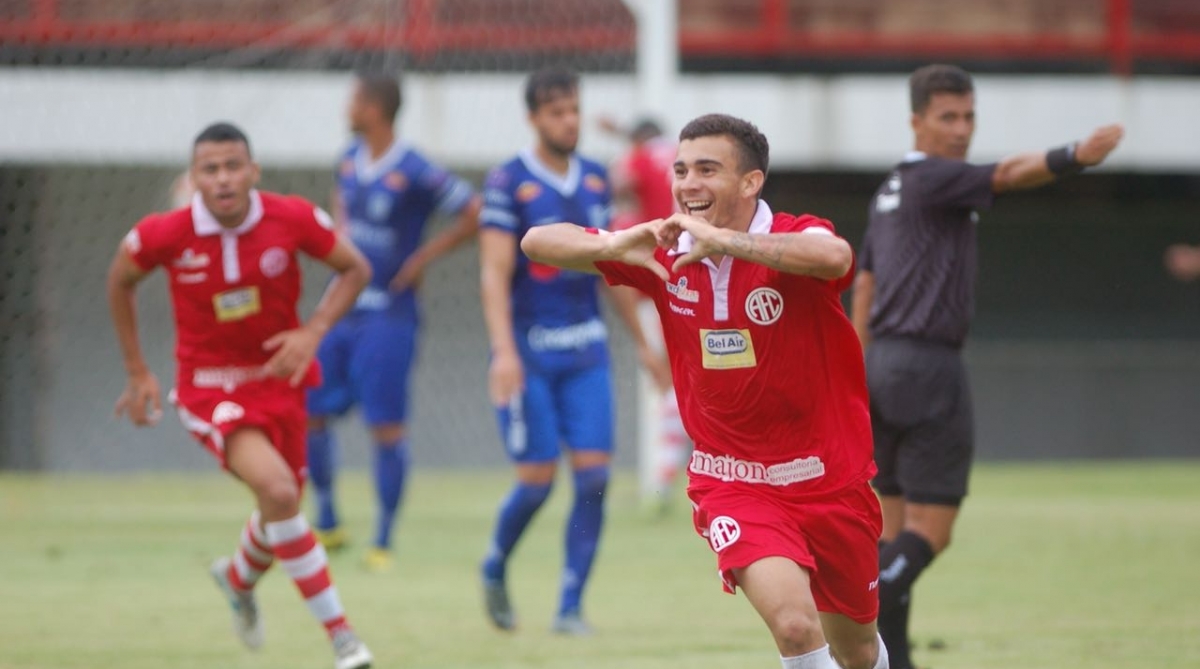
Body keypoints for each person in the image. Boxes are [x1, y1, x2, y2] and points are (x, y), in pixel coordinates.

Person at [521, 113, 888, 669]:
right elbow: (536, 242)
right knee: (793, 625)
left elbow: (834, 256)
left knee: (857, 651)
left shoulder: (795, 231)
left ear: (750, 182)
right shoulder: (663, 249)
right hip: (734, 481)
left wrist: (728, 243)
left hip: (830, 478)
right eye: (681, 169)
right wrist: (620, 241)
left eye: (707, 170)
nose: (687, 184)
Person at [849, 64, 1124, 669]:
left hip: (880, 368)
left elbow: (865, 282)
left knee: (890, 536)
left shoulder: (891, 188)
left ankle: (894, 660)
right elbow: (1006, 173)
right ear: (916, 122)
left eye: (969, 117)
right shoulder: (937, 178)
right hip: (927, 369)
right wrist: (1076, 154)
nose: (961, 130)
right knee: (932, 532)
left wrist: (856, 369)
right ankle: (850, 617)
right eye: (947, 117)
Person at [107, 122, 374, 669]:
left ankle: (236, 578)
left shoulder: (291, 218)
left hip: (280, 382)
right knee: (278, 490)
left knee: (281, 502)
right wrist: (138, 371)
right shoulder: (166, 233)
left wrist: (312, 331)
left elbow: (355, 269)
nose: (223, 179)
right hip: (210, 389)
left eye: (233, 166)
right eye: (211, 169)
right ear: (194, 178)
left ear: (253, 171)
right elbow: (120, 280)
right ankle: (342, 636)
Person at [477, 68, 665, 635]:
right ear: (534, 118)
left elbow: (613, 268)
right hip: (529, 356)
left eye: (575, 110)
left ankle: (569, 606)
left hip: (585, 352)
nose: (570, 121)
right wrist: (504, 351)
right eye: (557, 112)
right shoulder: (509, 182)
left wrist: (645, 345)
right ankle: (495, 562)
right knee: (536, 482)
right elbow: (493, 271)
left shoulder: (594, 180)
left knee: (592, 479)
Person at [305, 70, 482, 571]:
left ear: (375, 108)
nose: (346, 107)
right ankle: (328, 517)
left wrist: (423, 258)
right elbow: (342, 213)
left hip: (389, 313)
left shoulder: (414, 168)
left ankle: (382, 538)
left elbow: (473, 210)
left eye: (353, 99)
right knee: (309, 410)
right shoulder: (347, 159)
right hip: (340, 308)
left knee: (385, 427)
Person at [600, 115, 690, 507]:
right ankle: (675, 474)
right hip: (700, 277)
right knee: (695, 379)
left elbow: (618, 180)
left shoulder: (635, 162)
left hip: (662, 281)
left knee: (666, 382)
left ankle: (662, 478)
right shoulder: (681, 155)